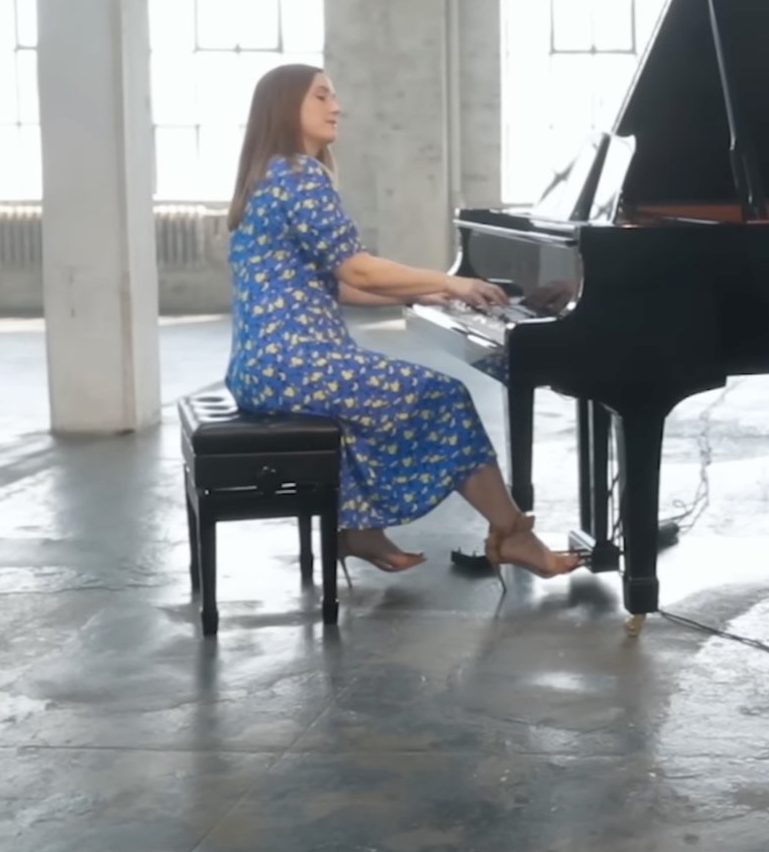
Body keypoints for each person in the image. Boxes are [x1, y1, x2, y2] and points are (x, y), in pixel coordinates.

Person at [223, 63, 581, 581]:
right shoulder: (299, 176)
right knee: (442, 396)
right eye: (321, 96)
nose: (336, 106)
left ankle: (360, 530)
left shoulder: (267, 178)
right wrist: (453, 283)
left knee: (368, 400)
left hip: (262, 367)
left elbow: (341, 285)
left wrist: (433, 292)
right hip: (295, 365)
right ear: (285, 108)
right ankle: (512, 534)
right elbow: (359, 268)